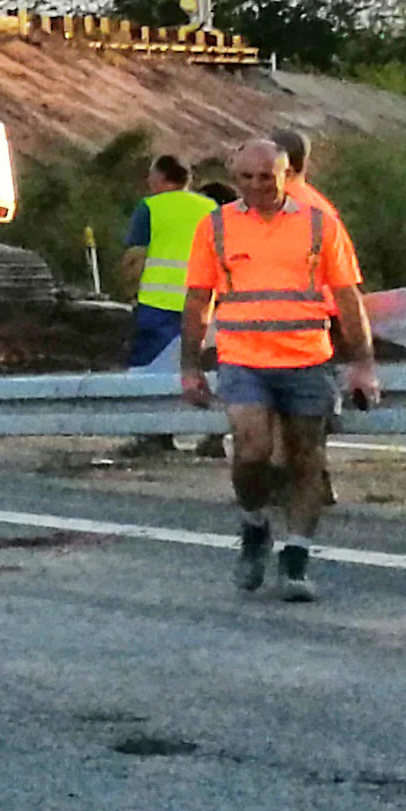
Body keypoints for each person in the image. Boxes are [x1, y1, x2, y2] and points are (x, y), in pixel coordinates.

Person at [182, 131, 379, 600]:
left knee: (306, 459)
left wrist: (363, 363)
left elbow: (349, 297)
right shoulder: (216, 227)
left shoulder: (319, 225)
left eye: (266, 177)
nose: (256, 186)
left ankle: (296, 559)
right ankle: (254, 525)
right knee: (251, 451)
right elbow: (196, 299)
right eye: (246, 177)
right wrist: (190, 364)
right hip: (243, 359)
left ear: (286, 175)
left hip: (307, 360)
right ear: (234, 177)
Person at [113, 151, 215, 371]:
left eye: (151, 174)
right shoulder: (211, 208)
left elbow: (135, 258)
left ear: (161, 176)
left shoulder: (150, 207)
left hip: (158, 305)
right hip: (202, 304)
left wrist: (130, 292)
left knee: (148, 371)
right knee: (195, 367)